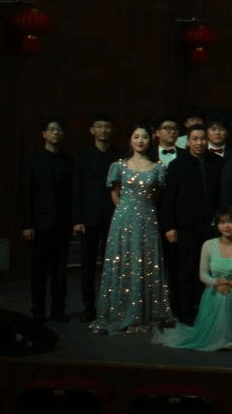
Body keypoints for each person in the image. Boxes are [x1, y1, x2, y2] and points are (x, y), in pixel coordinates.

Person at [90, 123, 175, 334]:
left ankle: (146, 313)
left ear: (151, 140)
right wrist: (126, 212)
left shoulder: (158, 168)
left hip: (148, 218)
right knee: (124, 261)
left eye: (144, 137)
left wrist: (142, 209)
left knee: (147, 263)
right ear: (130, 140)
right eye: (136, 136)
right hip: (123, 220)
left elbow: (156, 195)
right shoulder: (118, 166)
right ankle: (120, 312)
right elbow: (114, 193)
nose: (140, 141)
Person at [152, 206, 232, 351]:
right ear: (217, 225)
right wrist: (217, 283)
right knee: (221, 295)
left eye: (230, 222)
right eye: (222, 222)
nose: (226, 226)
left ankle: (230, 337)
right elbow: (203, 275)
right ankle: (219, 337)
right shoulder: (209, 245)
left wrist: (231, 283)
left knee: (227, 295)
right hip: (215, 289)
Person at [159, 124, 222, 326]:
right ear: (187, 142)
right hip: (185, 228)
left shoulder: (217, 162)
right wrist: (169, 226)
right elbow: (168, 198)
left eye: (202, 138)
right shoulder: (177, 165)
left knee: (207, 271)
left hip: (210, 227)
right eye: (195, 139)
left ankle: (204, 309)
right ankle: (183, 311)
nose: (199, 142)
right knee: (185, 271)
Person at [22, 117, 74, 323]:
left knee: (60, 271)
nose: (55, 133)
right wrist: (27, 225)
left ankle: (58, 310)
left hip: (62, 224)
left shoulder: (69, 161)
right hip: (39, 225)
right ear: (44, 134)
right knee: (38, 271)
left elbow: (72, 194)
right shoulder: (32, 161)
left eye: (59, 130)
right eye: (51, 129)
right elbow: (26, 195)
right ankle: (38, 311)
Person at [73, 112, 122, 323]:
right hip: (89, 219)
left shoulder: (119, 158)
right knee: (87, 266)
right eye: (99, 126)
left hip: (114, 217)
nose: (103, 130)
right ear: (92, 130)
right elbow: (76, 190)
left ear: (112, 130)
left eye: (107, 126)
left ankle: (110, 307)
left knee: (112, 265)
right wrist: (77, 219)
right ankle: (89, 307)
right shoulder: (82, 158)